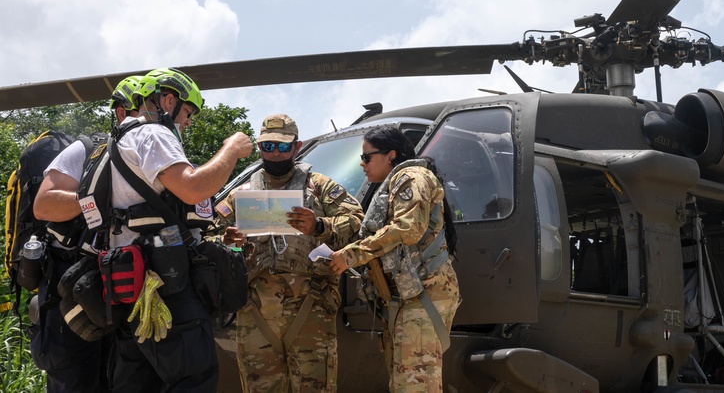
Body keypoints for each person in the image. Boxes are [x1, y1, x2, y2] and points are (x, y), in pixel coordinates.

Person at [109, 68, 253, 393]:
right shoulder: (152, 135)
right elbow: (192, 188)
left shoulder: (113, 146)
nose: (187, 122)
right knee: (194, 379)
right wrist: (231, 149)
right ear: (169, 100)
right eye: (187, 112)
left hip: (128, 289)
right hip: (165, 288)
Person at [216, 113, 364, 393]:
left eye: (283, 147)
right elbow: (209, 232)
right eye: (267, 146)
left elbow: (357, 220)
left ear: (297, 147)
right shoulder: (242, 193)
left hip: (311, 306)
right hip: (255, 310)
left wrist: (319, 225)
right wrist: (227, 240)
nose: (274, 153)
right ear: (259, 147)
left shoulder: (318, 187)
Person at [30, 75, 143, 393]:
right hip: (71, 288)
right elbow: (45, 205)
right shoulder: (88, 150)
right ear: (122, 113)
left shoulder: (151, 161)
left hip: (120, 291)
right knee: (76, 382)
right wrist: (98, 198)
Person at [328, 125, 460, 393]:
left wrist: (352, 254)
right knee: (403, 381)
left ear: (390, 155)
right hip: (408, 297)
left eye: (367, 157)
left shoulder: (412, 176)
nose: (362, 164)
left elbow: (407, 228)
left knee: (415, 384)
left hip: (424, 293)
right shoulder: (394, 184)